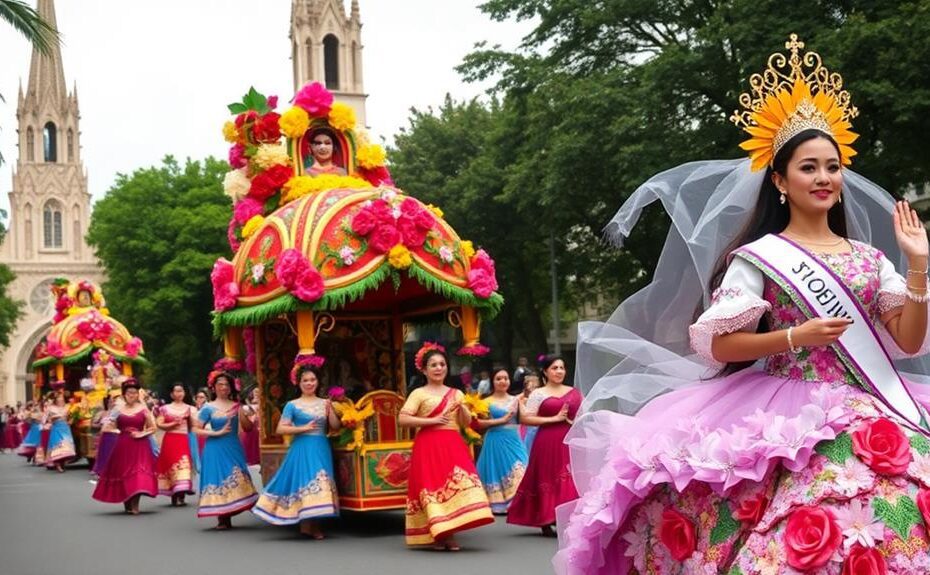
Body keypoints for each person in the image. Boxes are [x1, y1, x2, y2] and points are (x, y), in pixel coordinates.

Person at [555, 36, 930, 574]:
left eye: (832, 166)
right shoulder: (760, 257)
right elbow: (719, 343)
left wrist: (917, 263)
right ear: (780, 180)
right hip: (788, 408)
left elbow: (910, 340)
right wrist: (795, 337)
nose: (823, 178)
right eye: (808, 167)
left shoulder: (871, 258)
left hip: (874, 403)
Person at [399, 343, 494, 550]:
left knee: (459, 483)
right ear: (424, 370)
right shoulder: (418, 393)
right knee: (432, 487)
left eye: (442, 364)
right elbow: (403, 419)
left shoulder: (456, 393)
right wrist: (432, 421)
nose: (439, 368)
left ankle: (450, 532)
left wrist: (463, 408)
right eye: (433, 365)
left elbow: (465, 422)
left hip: (452, 444)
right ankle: (439, 535)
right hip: (428, 444)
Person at [253, 361, 341, 538]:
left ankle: (312, 524)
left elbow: (335, 426)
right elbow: (281, 429)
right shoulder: (292, 405)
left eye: (312, 379)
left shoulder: (325, 402)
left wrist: (330, 410)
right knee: (305, 482)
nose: (309, 383)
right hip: (302, 447)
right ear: (299, 383)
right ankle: (309, 525)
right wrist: (302, 429)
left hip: (321, 446)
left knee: (321, 481)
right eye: (305, 380)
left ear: (318, 381)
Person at [507, 355, 580, 535]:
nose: (559, 371)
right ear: (545, 371)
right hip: (547, 439)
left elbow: (583, 414)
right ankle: (546, 518)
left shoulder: (575, 392)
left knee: (570, 477)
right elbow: (526, 418)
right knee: (547, 476)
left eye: (562, 368)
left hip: (569, 439)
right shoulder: (539, 393)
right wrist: (554, 419)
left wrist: (577, 422)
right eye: (555, 368)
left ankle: (569, 518)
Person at [193, 370, 258, 529]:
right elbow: (196, 428)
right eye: (220, 384)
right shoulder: (208, 408)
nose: (223, 387)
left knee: (236, 475)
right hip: (214, 448)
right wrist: (215, 432)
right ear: (213, 388)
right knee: (218, 478)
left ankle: (233, 509)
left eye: (227, 385)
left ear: (231, 388)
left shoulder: (238, 406)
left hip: (233, 446)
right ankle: (223, 518)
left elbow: (248, 428)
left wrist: (245, 414)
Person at [91, 379, 158, 515]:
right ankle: (127, 502)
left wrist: (141, 433)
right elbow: (107, 426)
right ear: (124, 395)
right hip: (123, 444)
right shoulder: (118, 410)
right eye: (128, 393)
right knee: (123, 472)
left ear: (137, 394)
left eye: (134, 393)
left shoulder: (144, 410)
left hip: (140, 445)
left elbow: (153, 428)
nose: (131, 395)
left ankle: (135, 505)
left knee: (138, 473)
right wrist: (116, 431)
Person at [475, 367, 528, 514]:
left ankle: (520, 504)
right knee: (496, 470)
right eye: (498, 379)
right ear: (492, 381)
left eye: (505, 378)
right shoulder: (485, 402)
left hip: (514, 439)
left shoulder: (516, 400)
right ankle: (500, 503)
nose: (503, 381)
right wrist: (500, 420)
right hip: (495, 439)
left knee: (522, 468)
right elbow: (478, 423)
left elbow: (526, 418)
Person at [155, 384, 196, 506]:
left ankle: (181, 494)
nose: (179, 393)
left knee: (184, 466)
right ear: (171, 394)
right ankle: (174, 493)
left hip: (184, 439)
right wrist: (173, 424)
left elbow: (194, 427)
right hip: (171, 439)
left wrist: (189, 419)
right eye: (176, 391)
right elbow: (159, 424)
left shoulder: (191, 409)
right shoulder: (165, 408)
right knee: (171, 466)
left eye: (181, 391)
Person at [44, 391, 77, 472]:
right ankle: (58, 464)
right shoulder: (50, 408)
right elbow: (45, 420)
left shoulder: (68, 407)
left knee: (66, 447)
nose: (61, 399)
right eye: (59, 398)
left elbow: (73, 416)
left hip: (65, 428)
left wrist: (71, 420)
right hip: (56, 428)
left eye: (62, 397)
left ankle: (62, 463)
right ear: (55, 399)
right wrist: (52, 419)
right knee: (58, 447)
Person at [518, 372, 541, 452]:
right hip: (528, 429)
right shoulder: (523, 400)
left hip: (538, 429)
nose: (534, 389)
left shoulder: (541, 398)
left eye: (536, 387)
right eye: (532, 387)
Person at [238, 387, 260, 467]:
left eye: (258, 391)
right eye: (255, 391)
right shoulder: (246, 407)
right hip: (250, 432)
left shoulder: (264, 405)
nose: (257, 393)